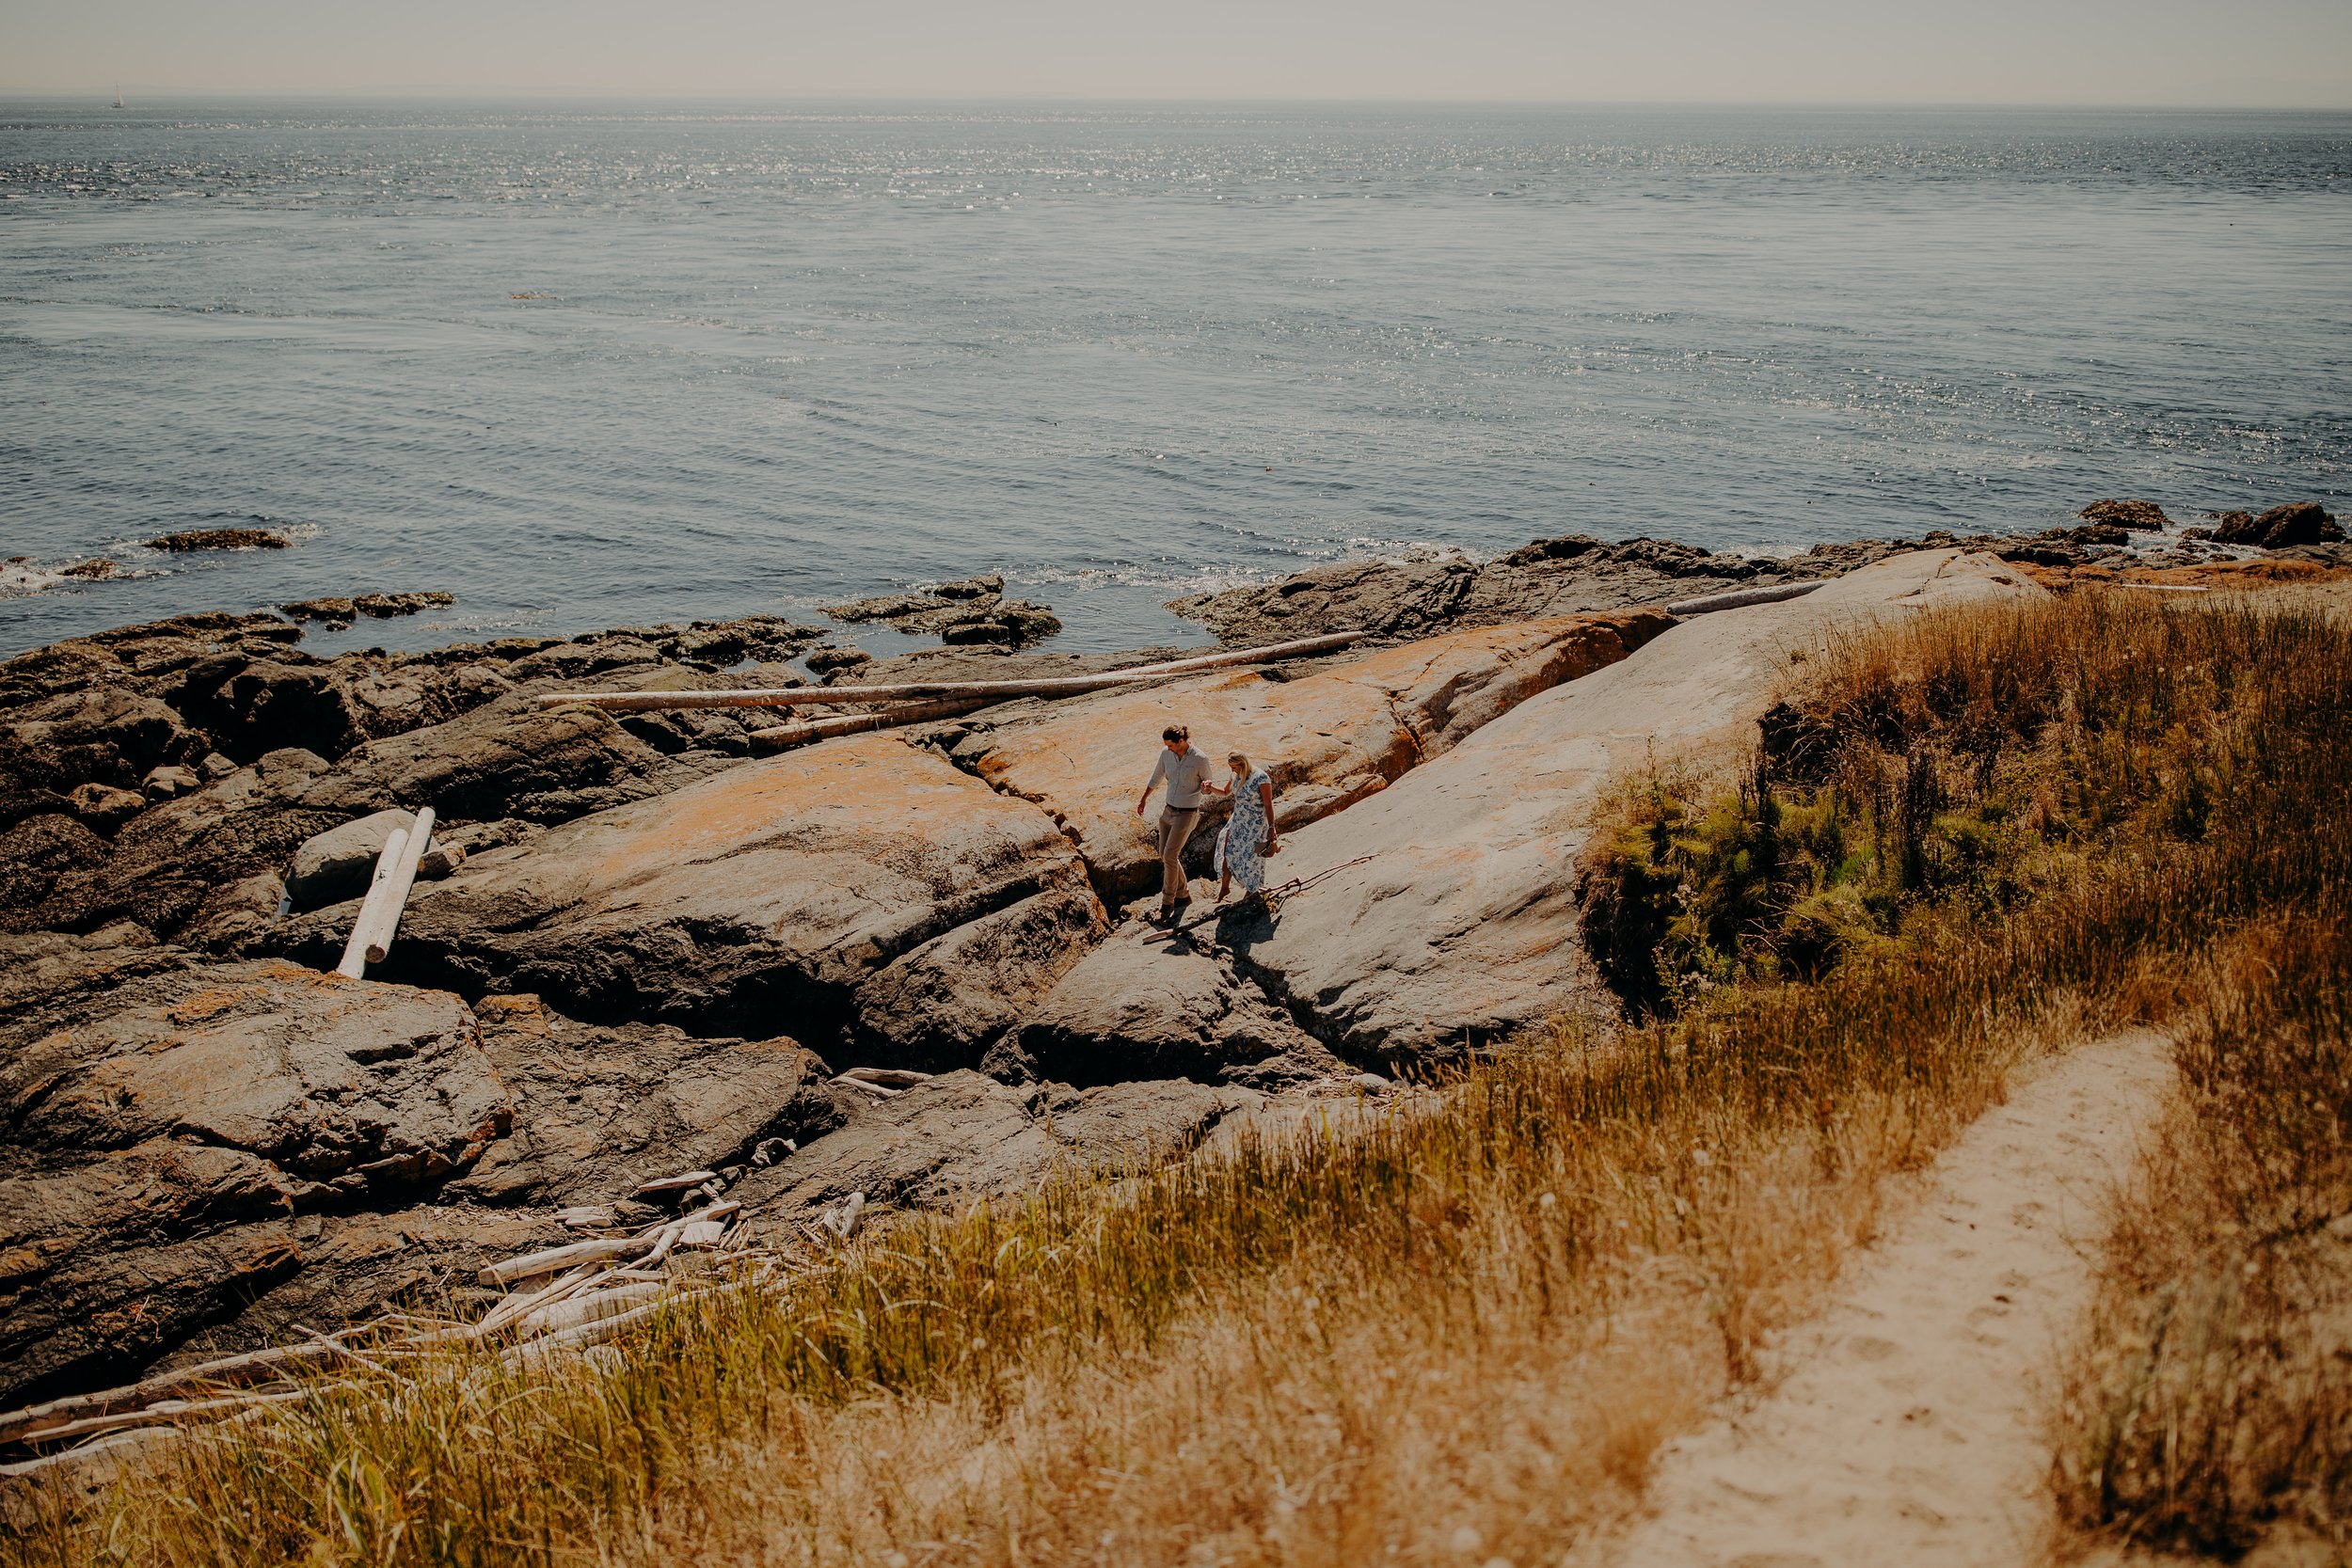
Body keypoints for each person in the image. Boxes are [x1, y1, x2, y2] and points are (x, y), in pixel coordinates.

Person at [1135, 723, 1216, 924]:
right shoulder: (1166, 754)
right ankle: (1184, 895)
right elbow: (1157, 776)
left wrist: (1207, 787)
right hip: (1168, 810)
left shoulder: (1200, 759)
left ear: (1181, 741)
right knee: (1165, 855)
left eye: (1171, 745)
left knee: (1171, 855)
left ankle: (1167, 904)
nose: (1168, 748)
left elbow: (1208, 787)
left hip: (1187, 813)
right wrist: (1144, 798)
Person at [1213, 752, 1279, 903]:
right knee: (1229, 851)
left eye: (1234, 767)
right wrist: (1211, 788)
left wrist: (1271, 827)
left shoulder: (1261, 778)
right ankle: (1225, 887)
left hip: (1256, 823)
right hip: (1238, 820)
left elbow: (1268, 803)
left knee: (1252, 857)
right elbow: (1225, 792)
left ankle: (1251, 891)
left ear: (1242, 764)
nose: (1232, 771)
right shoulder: (1236, 776)